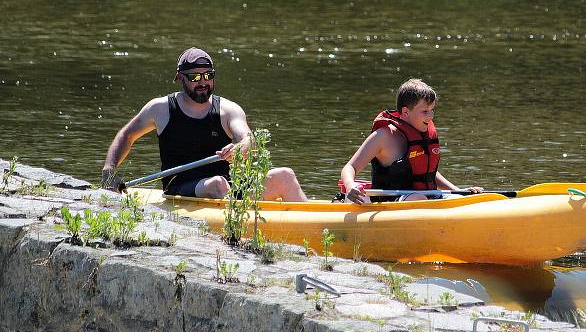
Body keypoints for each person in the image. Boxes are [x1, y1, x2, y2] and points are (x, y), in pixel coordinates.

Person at [101, 47, 307, 201]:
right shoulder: (160, 108)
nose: (202, 82)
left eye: (208, 76)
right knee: (217, 184)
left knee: (285, 175)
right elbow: (126, 136)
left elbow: (248, 138)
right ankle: (240, 229)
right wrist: (109, 172)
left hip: (228, 186)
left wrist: (242, 147)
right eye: (195, 77)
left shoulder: (228, 109)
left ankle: (316, 228)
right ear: (180, 77)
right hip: (180, 186)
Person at [340, 78, 483, 204]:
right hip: (391, 203)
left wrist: (460, 192)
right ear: (405, 112)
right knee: (418, 198)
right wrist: (350, 185)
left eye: (432, 110)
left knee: (462, 200)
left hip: (426, 199)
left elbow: (426, 172)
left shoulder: (424, 133)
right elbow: (350, 168)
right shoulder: (383, 136)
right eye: (425, 111)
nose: (431, 116)